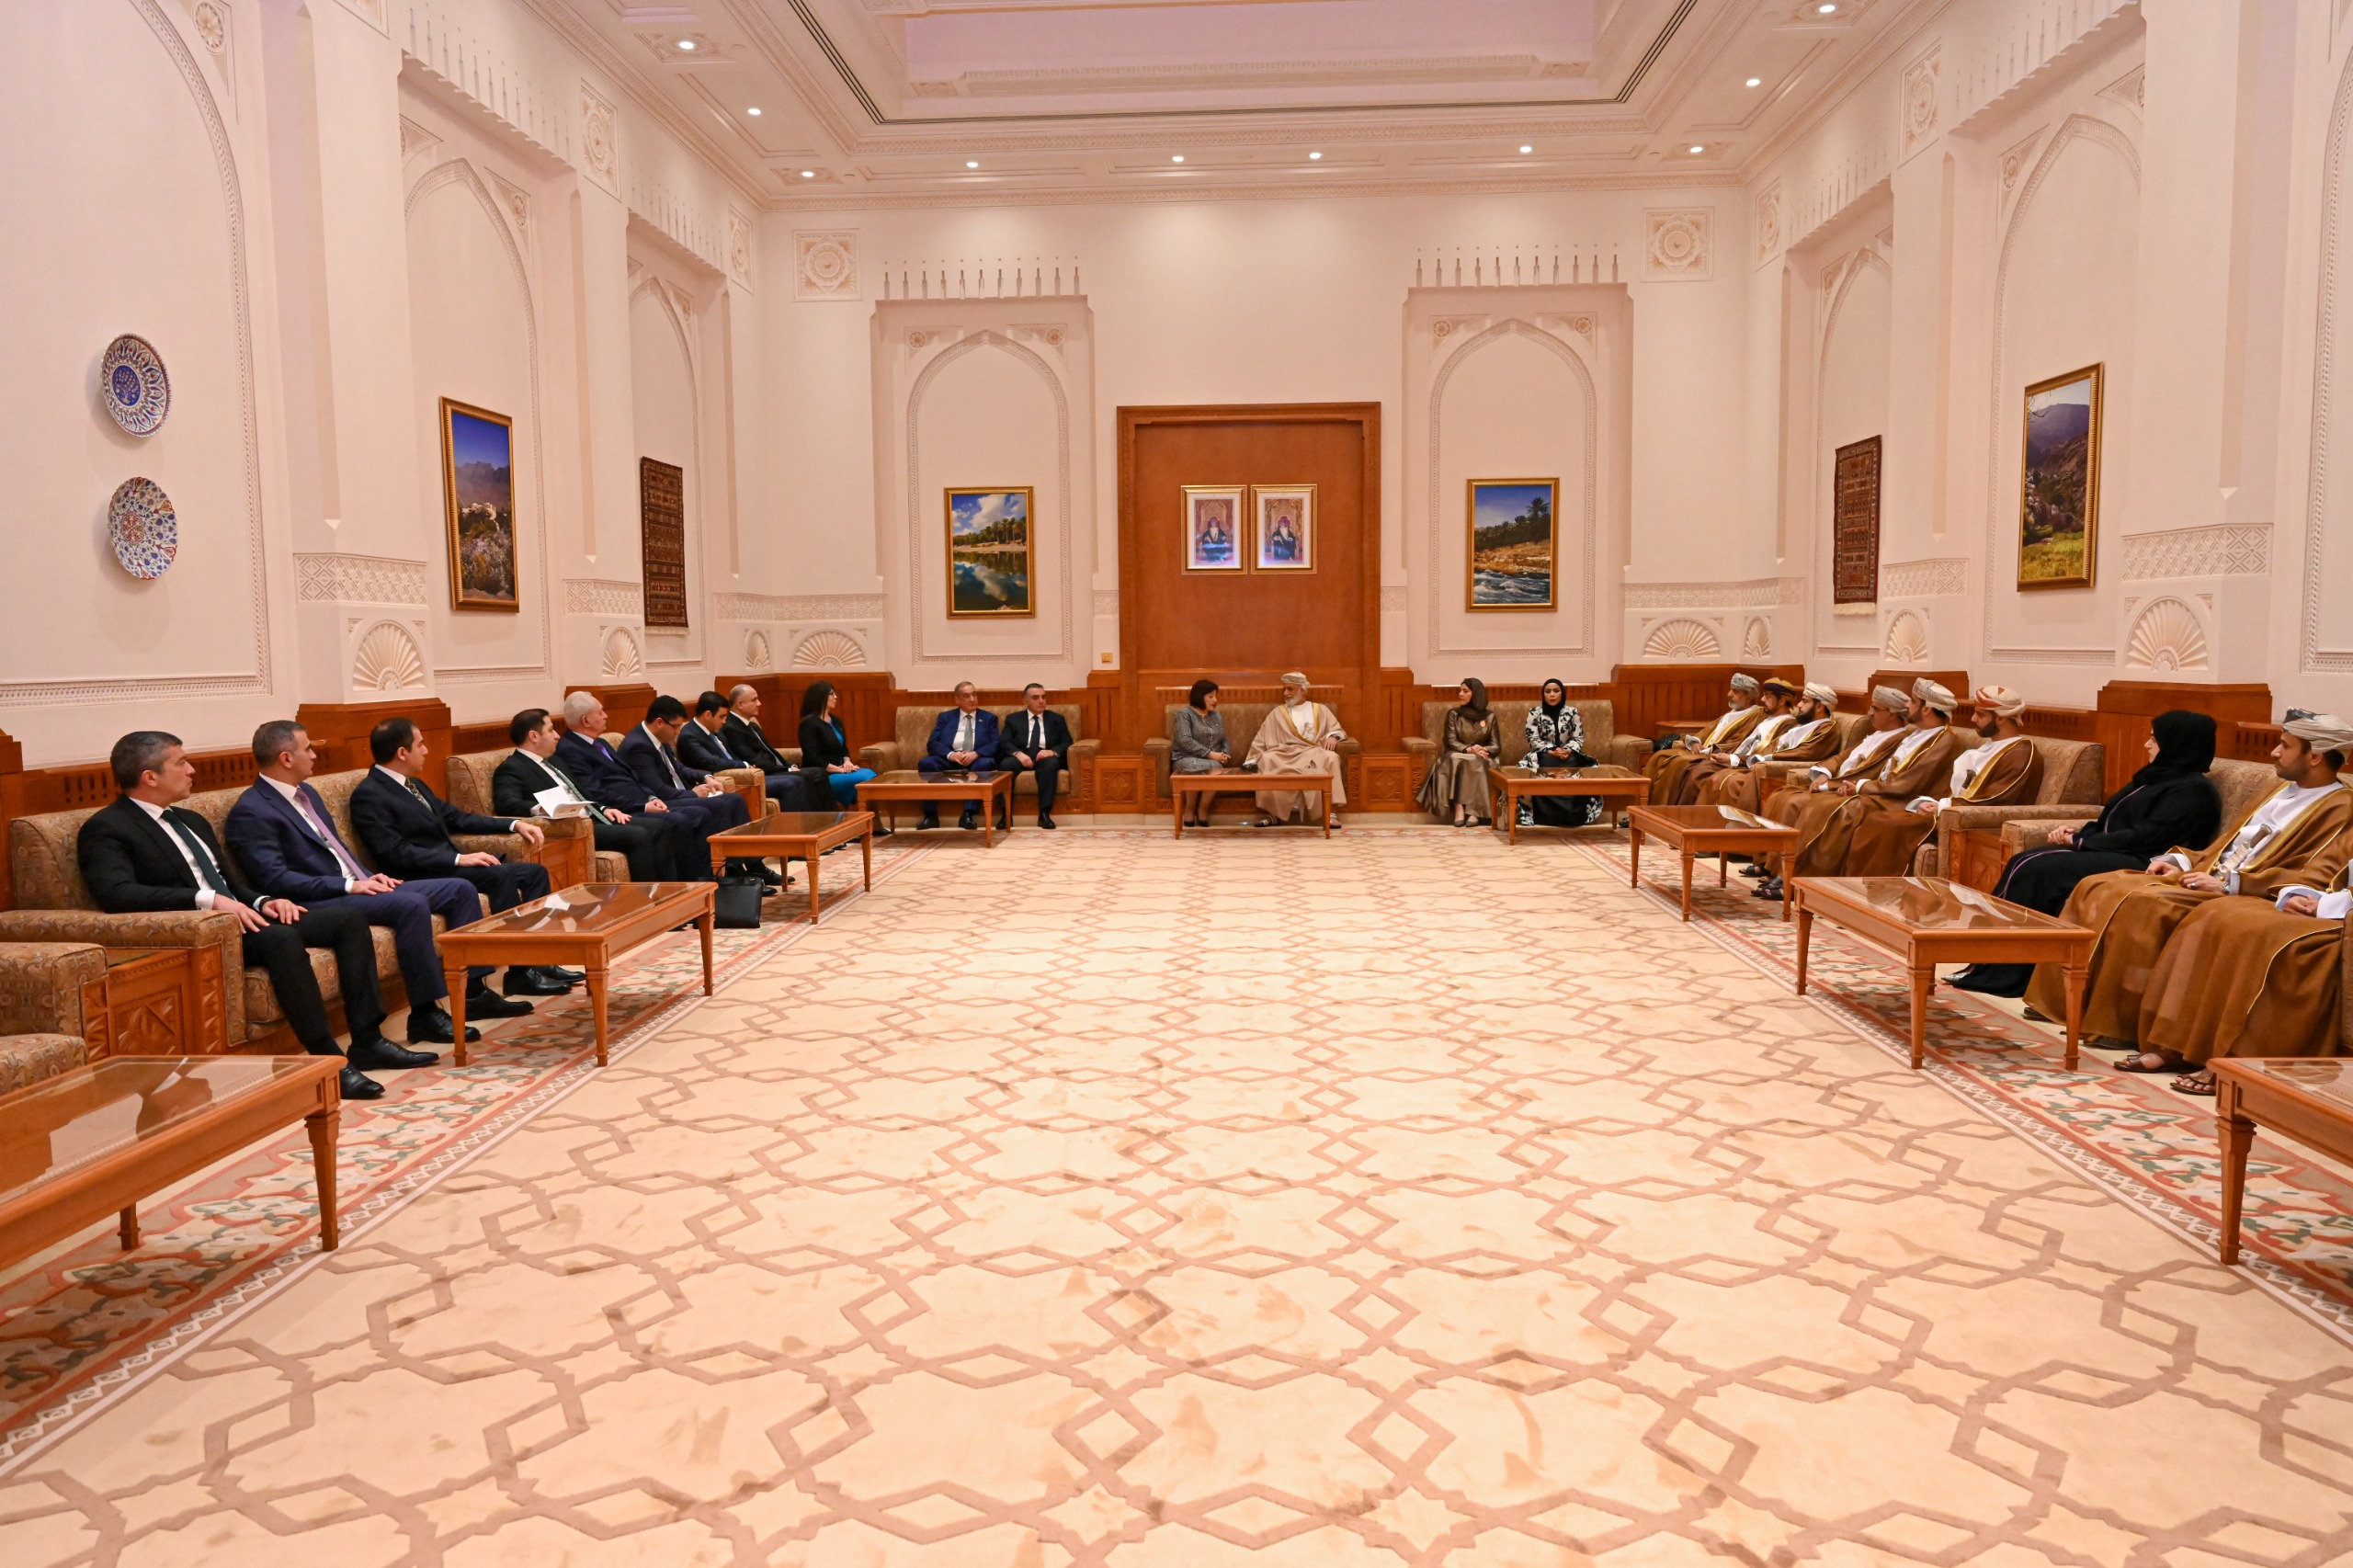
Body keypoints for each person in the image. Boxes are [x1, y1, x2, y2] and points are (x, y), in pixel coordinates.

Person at [77, 732, 393, 1102]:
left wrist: (264, 901)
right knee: (281, 939)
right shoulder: (107, 828)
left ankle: (368, 1040)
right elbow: (118, 895)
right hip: (203, 933)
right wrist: (207, 901)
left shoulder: (190, 820)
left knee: (347, 920)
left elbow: (229, 882)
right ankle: (328, 1060)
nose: (191, 770)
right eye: (181, 763)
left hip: (244, 917)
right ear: (150, 777)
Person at [2026, 713, 2353, 1070]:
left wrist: (2231, 884)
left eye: (2285, 746)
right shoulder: (2276, 791)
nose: (2274, 752)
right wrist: (2181, 860)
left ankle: (2121, 1024)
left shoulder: (2340, 806)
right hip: (2208, 875)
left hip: (2244, 889)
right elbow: (2228, 845)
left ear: (2315, 756)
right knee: (2099, 885)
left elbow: (2313, 870)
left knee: (2145, 903)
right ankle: (2070, 1004)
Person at [225, 721, 517, 1051]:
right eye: (308, 749)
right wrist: (348, 886)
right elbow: (276, 879)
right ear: (286, 758)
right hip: (314, 900)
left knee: (459, 889)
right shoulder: (253, 810)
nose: (314, 754)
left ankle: (474, 992)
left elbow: (338, 849)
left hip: (354, 885)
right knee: (409, 904)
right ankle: (425, 1013)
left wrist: (366, 875)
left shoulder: (307, 794)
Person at [1946, 711, 2223, 998]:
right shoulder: (2154, 778)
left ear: (2176, 743)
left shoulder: (2193, 791)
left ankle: (2006, 972)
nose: (2146, 744)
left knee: (2037, 869)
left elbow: (2148, 837)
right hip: (2118, 851)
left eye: (2154, 739)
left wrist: (2081, 842)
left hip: (2146, 862)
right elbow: (2110, 820)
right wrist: (2077, 834)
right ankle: (1985, 961)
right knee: (2023, 860)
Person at [348, 716, 575, 998]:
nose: (426, 750)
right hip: (419, 874)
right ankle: (519, 973)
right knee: (500, 875)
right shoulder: (369, 794)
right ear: (402, 752)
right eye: (421, 744)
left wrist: (513, 824)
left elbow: (457, 818)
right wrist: (457, 860)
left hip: (445, 865)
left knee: (533, 874)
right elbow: (394, 853)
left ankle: (542, 961)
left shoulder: (414, 785)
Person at [2137, 865, 2351, 1096]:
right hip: (2332, 904)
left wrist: (2326, 905)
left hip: (2341, 920)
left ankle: (2238, 1060)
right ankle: (2186, 1047)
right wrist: (2298, 894)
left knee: (2265, 938)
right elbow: (2327, 872)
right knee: (2220, 913)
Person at [1756, 680, 1962, 900]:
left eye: (1913, 701)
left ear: (1927, 709)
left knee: (1835, 809)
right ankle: (1789, 874)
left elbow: (1908, 782)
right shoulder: (1917, 734)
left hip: (1901, 799)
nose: (1907, 705)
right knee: (1810, 800)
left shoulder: (1944, 740)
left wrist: (1861, 787)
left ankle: (1810, 882)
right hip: (1884, 793)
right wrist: (1850, 783)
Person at [1840, 684, 2044, 875]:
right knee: (1878, 820)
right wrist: (1935, 803)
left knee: (1885, 823)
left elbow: (1996, 799)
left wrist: (1942, 807)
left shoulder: (2021, 751)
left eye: (1980, 715)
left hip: (1975, 822)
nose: (1973, 719)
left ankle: (1884, 890)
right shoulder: (1991, 746)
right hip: (1953, 813)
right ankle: (1862, 890)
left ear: (2001, 718)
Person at [493, 708, 686, 883]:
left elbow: (581, 793)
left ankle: (670, 891)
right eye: (551, 730)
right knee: (639, 834)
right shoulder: (512, 767)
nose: (557, 736)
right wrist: (540, 808)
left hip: (594, 816)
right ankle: (646, 897)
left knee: (660, 825)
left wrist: (604, 808)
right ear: (534, 736)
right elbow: (506, 803)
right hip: (571, 827)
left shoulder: (555, 761)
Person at [554, 693, 725, 881]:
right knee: (679, 821)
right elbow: (595, 792)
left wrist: (651, 797)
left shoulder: (600, 742)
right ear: (586, 720)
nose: (606, 715)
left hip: (642, 801)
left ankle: (705, 879)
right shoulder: (570, 750)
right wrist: (643, 806)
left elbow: (633, 777)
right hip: (624, 809)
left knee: (700, 813)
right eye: (600, 712)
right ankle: (684, 884)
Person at [618, 696, 767, 882]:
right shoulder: (637, 746)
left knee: (733, 799)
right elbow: (658, 790)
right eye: (676, 726)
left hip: (676, 794)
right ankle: (726, 871)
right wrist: (693, 794)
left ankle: (753, 866)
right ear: (659, 722)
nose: (678, 732)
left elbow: (678, 768)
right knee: (716, 806)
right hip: (661, 801)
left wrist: (705, 777)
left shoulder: (659, 737)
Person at [1699, 682, 1844, 813]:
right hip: (1764, 766)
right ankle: (1707, 823)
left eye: (1805, 701)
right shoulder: (1802, 726)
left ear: (1819, 707)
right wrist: (1741, 759)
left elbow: (1805, 753)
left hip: (1779, 771)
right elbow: (1773, 746)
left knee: (1732, 781)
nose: (1799, 705)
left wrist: (1765, 759)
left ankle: (1735, 827)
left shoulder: (1828, 729)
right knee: (1720, 776)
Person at [1672, 678, 1800, 806]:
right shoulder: (1767, 719)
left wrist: (1732, 759)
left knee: (1702, 771)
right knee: (1691, 767)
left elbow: (1767, 753)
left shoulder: (1787, 724)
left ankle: (1692, 814)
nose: (1762, 699)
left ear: (1782, 701)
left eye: (1767, 696)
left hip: (1747, 766)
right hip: (1737, 760)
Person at [1644, 675, 1767, 804]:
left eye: (1736, 691)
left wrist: (1710, 750)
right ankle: (1644, 805)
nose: (1729, 694)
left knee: (1679, 764)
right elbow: (1707, 731)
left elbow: (1737, 743)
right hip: (1702, 751)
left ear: (1749, 697)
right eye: (1731, 690)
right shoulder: (1732, 713)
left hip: (1716, 756)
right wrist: (1694, 742)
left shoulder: (1756, 715)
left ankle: (1670, 810)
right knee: (1660, 757)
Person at [688, 690, 813, 815]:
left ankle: (807, 823)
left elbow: (731, 754)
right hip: (733, 780)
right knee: (789, 783)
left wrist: (746, 765)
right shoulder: (690, 736)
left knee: (798, 780)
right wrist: (744, 765)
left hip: (745, 774)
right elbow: (713, 761)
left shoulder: (714, 729)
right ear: (708, 715)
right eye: (722, 717)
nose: (725, 721)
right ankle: (790, 826)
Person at [1247, 671, 1347, 828]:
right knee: (1266, 759)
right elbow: (1261, 738)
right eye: (1284, 689)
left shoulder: (1320, 710)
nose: (1285, 693)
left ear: (1303, 690)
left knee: (1332, 758)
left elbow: (1336, 729)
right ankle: (1274, 814)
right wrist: (1252, 760)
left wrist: (1333, 737)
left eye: (1290, 689)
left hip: (1312, 752)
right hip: (1285, 753)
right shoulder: (1278, 713)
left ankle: (1331, 813)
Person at [1516, 678, 1603, 830]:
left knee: (1576, 761)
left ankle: (1573, 815)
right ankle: (1547, 815)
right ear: (1543, 694)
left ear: (1562, 693)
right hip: (1545, 754)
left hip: (1569, 755)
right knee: (1546, 760)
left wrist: (1568, 750)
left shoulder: (1572, 712)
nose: (1552, 694)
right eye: (1548, 691)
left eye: (1556, 691)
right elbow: (1532, 738)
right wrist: (1551, 750)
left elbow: (1578, 737)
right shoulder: (1534, 713)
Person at [1416, 678, 1503, 827]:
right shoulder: (1454, 714)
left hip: (1482, 756)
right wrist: (1469, 749)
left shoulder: (1490, 716)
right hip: (1457, 753)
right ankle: (1459, 808)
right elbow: (1450, 740)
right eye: (1460, 690)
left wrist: (1483, 749)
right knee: (1459, 759)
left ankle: (1475, 812)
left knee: (1476, 761)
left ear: (1476, 694)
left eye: (1465, 691)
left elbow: (1496, 746)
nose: (1460, 694)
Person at [919, 682, 1003, 830]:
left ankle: (968, 814)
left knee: (984, 765)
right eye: (967, 696)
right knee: (927, 763)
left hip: (977, 759)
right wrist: (951, 755)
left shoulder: (989, 718)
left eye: (974, 694)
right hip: (951, 759)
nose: (972, 699)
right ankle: (930, 815)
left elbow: (996, 743)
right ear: (957, 700)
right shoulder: (946, 717)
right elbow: (933, 743)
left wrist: (976, 753)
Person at [798, 682, 881, 820]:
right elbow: (812, 757)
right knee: (865, 778)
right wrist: (839, 769)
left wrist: (847, 762)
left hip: (840, 769)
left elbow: (843, 748)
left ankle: (872, 823)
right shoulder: (808, 724)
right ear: (820, 697)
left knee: (870, 775)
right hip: (822, 775)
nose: (836, 697)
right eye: (832, 694)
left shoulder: (835, 721)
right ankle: (862, 823)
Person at [996, 683, 1073, 830]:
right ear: (1025, 701)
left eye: (1043, 697)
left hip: (1045, 757)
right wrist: (1018, 754)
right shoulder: (1013, 719)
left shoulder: (1056, 719)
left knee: (1051, 764)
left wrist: (1052, 752)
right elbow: (1005, 741)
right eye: (1036, 698)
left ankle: (1044, 815)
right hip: (1021, 756)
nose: (1041, 701)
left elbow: (1067, 742)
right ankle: (1006, 815)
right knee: (1006, 765)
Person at [1172, 679, 1234, 828]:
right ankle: (1189, 808)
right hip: (1185, 757)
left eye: (1215, 696)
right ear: (1200, 696)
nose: (1215, 700)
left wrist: (1224, 754)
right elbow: (1185, 741)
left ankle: (1203, 808)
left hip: (1213, 760)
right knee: (1202, 766)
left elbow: (1224, 739)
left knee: (1216, 766)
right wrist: (1211, 754)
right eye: (1211, 697)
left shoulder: (1216, 716)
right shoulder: (1184, 714)